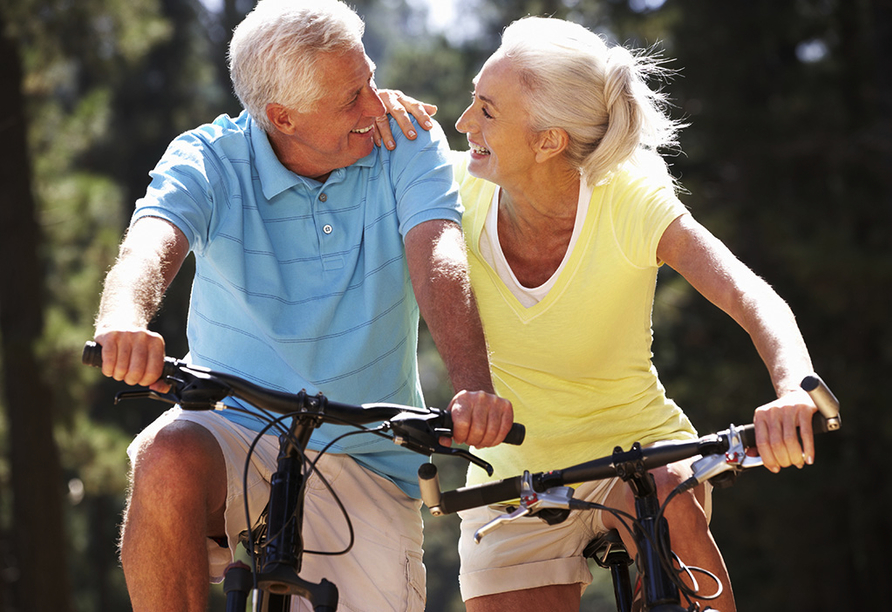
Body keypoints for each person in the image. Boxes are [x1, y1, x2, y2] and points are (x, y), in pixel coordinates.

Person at [377, 15, 821, 612]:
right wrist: (366, 116)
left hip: (638, 453)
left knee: (668, 499)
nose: (463, 124)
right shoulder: (449, 191)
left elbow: (749, 293)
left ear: (548, 140)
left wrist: (794, 387)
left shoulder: (629, 196)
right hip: (512, 477)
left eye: (487, 109)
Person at [92, 1, 515, 610]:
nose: (376, 105)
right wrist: (123, 322)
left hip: (365, 448)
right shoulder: (209, 157)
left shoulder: (403, 138)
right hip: (234, 426)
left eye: (369, 79)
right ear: (281, 116)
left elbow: (437, 255)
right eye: (351, 98)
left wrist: (474, 385)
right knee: (168, 457)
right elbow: (151, 241)